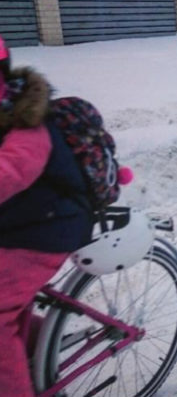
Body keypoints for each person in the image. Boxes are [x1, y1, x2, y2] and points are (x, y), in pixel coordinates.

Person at [0, 35, 93, 397]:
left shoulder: (27, 119)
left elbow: (11, 170)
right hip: (17, 224)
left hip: (48, 228)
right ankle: (38, 355)